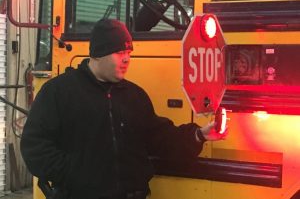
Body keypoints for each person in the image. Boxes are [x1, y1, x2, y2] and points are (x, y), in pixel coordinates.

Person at [20, 19, 227, 199]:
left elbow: (160, 139)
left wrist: (199, 135)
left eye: (128, 52)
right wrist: (74, 175)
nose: (127, 59)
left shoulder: (134, 96)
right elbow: (34, 146)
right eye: (120, 53)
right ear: (98, 54)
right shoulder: (60, 92)